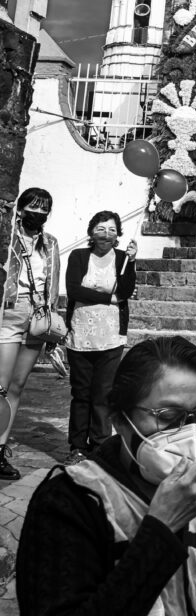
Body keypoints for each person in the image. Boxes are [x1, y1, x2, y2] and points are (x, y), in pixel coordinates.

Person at [15, 335, 196, 616]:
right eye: (168, 416)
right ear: (119, 419)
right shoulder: (70, 501)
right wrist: (161, 530)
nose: (187, 431)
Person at [65, 211, 138, 464]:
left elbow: (126, 291)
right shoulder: (79, 256)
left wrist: (133, 262)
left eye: (111, 230)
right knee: (81, 393)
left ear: (118, 235)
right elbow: (74, 289)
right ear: (91, 232)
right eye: (100, 229)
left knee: (103, 394)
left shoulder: (121, 258)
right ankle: (76, 447)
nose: (106, 234)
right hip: (80, 335)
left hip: (111, 337)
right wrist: (108, 298)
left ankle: (99, 447)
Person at [0, 187, 59, 481]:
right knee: (0, 384)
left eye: (44, 207)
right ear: (21, 209)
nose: (40, 212)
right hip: (9, 311)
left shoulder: (50, 243)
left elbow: (53, 280)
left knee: (18, 385)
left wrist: (50, 319)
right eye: (34, 206)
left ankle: (0, 448)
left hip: (36, 315)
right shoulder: (7, 238)